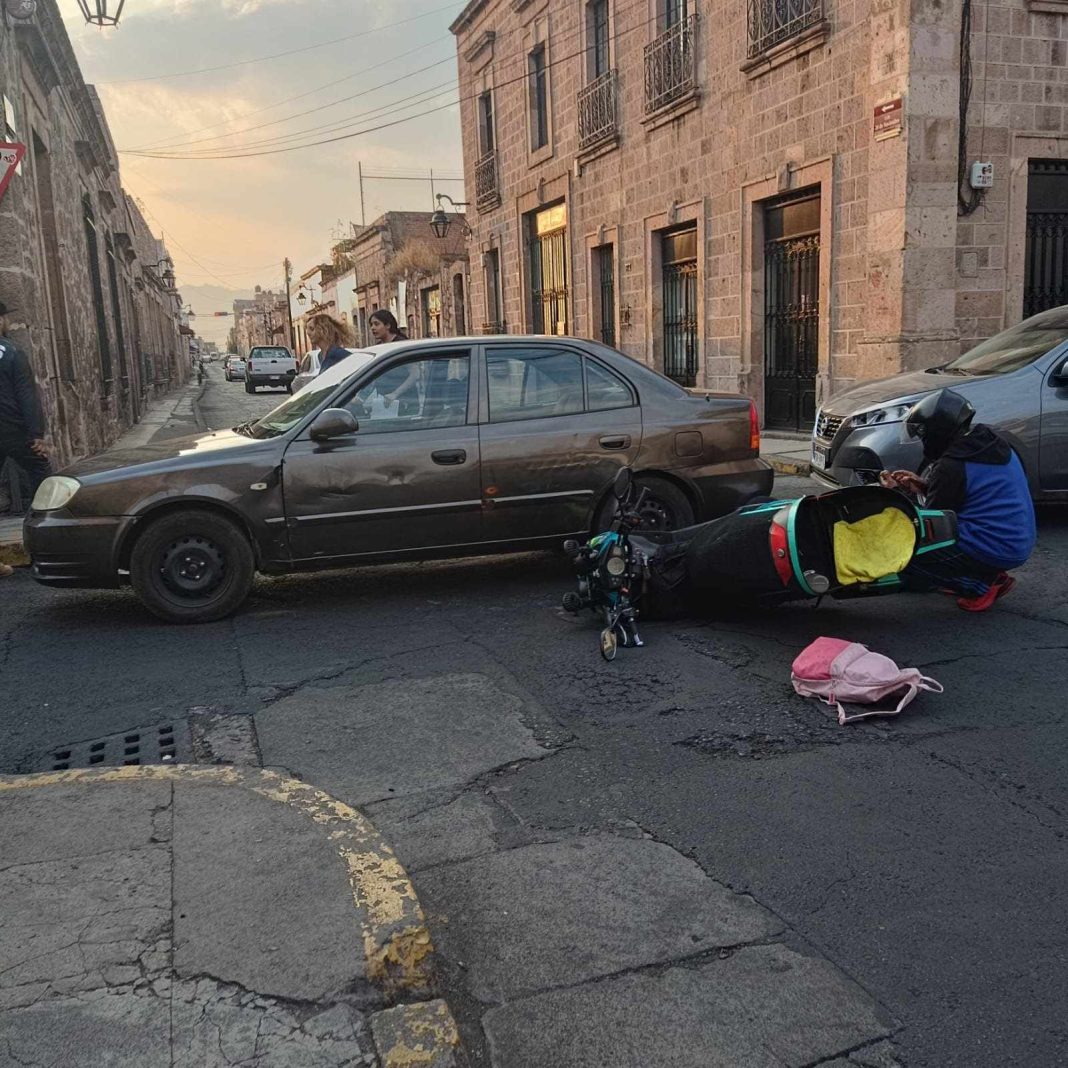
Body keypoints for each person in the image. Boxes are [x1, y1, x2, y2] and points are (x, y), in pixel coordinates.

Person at [881, 388, 1036, 612]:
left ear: (938, 432)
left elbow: (929, 526)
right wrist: (923, 486)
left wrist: (896, 493)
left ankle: (981, 585)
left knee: (905, 560)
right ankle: (986, 571)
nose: (923, 440)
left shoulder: (952, 466)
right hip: (1016, 541)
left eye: (924, 434)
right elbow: (972, 494)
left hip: (995, 547)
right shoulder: (990, 444)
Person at [0, 301, 51, 579]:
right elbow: (26, 395)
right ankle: (48, 540)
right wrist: (36, 434)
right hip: (14, 431)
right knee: (42, 475)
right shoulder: (12, 353)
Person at [367, 310, 417, 414]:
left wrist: (395, 394)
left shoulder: (401, 345)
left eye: (376, 324)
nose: (372, 328)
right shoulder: (379, 347)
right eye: (371, 325)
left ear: (388, 325)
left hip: (405, 402)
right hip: (384, 402)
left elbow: (415, 374)